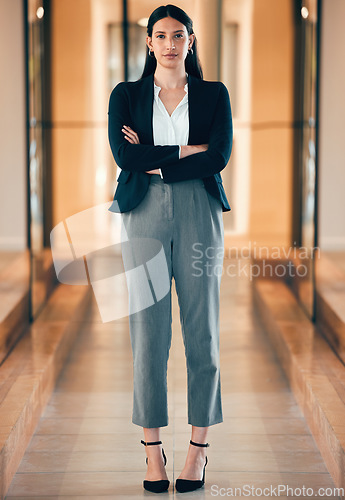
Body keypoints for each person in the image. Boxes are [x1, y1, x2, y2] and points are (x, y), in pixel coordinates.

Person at [107, 4, 233, 494]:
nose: (169, 43)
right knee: (149, 336)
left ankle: (198, 451)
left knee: (202, 330)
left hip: (200, 210)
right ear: (150, 43)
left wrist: (157, 159)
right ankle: (153, 454)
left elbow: (219, 155)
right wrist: (187, 152)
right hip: (143, 215)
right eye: (160, 35)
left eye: (178, 34)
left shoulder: (213, 94)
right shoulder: (127, 96)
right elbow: (125, 156)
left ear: (191, 40)